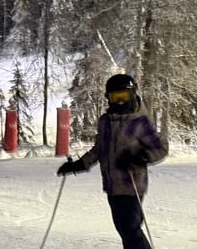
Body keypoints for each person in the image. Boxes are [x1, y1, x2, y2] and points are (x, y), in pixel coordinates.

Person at [56, 73, 168, 249]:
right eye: (115, 97)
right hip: (111, 184)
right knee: (124, 230)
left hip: (132, 184)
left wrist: (138, 157)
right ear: (109, 98)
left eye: (124, 96)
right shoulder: (105, 121)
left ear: (132, 95)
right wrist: (78, 165)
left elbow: (160, 149)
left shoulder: (140, 122)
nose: (120, 102)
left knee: (130, 229)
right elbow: (99, 149)